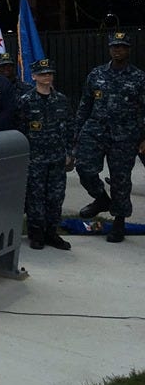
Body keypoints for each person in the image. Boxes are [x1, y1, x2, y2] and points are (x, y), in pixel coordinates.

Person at [74, 31, 145, 244]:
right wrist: (77, 133)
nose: (118, 50)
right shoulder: (96, 74)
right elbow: (85, 104)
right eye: (115, 46)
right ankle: (102, 199)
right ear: (109, 49)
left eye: (122, 46)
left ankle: (119, 222)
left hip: (125, 136)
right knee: (84, 168)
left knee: (120, 181)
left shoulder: (139, 77)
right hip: (95, 131)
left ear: (128, 49)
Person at [17, 59, 75, 250]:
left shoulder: (61, 100)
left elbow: (69, 128)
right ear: (34, 76)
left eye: (49, 73)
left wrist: (69, 153)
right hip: (35, 160)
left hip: (57, 158)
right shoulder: (25, 101)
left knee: (56, 197)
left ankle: (52, 233)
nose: (46, 77)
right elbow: (20, 131)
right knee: (35, 197)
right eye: (42, 74)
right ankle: (36, 234)